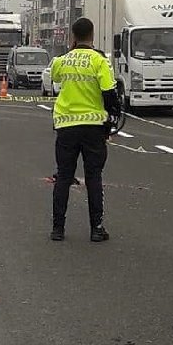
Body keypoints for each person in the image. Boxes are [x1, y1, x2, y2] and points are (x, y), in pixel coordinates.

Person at [49, 17, 121, 242]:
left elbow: (55, 77)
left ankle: (58, 229)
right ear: (92, 35)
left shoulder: (62, 60)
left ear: (73, 36)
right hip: (93, 126)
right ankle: (96, 228)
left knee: (63, 176)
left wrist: (71, 51)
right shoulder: (100, 61)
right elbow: (109, 93)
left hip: (66, 125)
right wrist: (112, 117)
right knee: (93, 177)